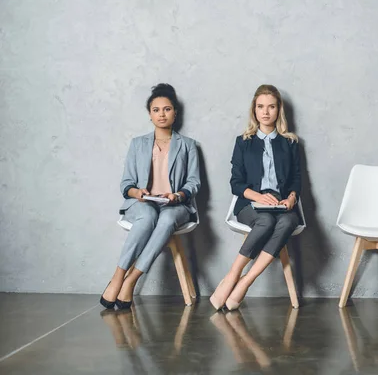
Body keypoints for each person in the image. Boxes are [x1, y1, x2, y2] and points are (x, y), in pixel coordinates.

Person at [100, 83, 201, 310]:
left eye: (166, 109)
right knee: (146, 217)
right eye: (156, 110)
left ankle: (131, 281)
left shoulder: (188, 145)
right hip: (143, 203)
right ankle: (118, 278)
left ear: (175, 113)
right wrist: (138, 192)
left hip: (175, 205)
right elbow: (126, 184)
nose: (161, 114)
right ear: (150, 114)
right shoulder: (137, 144)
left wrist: (178, 195)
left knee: (165, 219)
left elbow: (194, 182)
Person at [211, 84, 301, 311]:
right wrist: (258, 197)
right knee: (266, 222)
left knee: (289, 221)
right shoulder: (243, 142)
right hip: (250, 204)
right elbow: (236, 183)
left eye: (271, 106)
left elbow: (296, 180)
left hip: (281, 204)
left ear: (278, 109)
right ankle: (233, 276)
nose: (266, 112)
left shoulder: (290, 143)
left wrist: (291, 198)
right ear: (254, 109)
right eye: (261, 106)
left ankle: (245, 282)